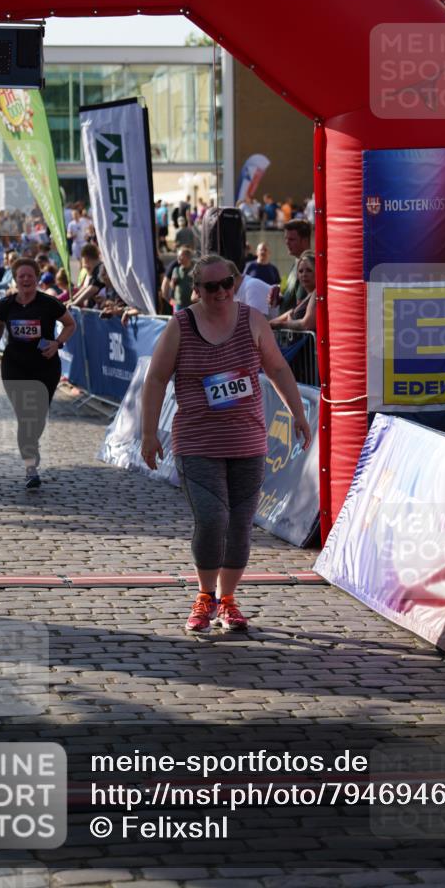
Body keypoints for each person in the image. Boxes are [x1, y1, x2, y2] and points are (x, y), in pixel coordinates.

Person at [141, 254, 311, 633]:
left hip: (247, 442)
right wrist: (149, 433)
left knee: (239, 525)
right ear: (196, 289)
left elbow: (278, 368)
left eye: (226, 284)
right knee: (213, 518)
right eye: (211, 286)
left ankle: (228, 601)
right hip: (197, 442)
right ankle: (205, 596)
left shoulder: (252, 320)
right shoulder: (182, 325)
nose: (220, 292)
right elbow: (155, 379)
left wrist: (298, 414)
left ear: (234, 284)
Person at [0, 258, 76, 488]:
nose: (25, 280)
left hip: (45, 367)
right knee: (25, 416)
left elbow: (70, 325)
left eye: (29, 276)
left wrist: (57, 343)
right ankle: (31, 467)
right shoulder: (5, 305)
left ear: (37, 278)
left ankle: (31, 447)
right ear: (15, 279)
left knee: (37, 417)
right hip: (14, 365)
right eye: (21, 276)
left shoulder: (50, 304)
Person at [268, 220, 312, 314]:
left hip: (293, 327)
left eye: (291, 239)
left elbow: (300, 309)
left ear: (304, 240)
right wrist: (279, 299)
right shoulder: (297, 262)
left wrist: (274, 323)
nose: (287, 243)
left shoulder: (307, 265)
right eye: (286, 239)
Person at [269, 251, 317, 331]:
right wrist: (266, 324)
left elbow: (306, 324)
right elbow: (291, 312)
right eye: (300, 271)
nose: (304, 274)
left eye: (309, 270)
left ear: (317, 272)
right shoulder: (307, 296)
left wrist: (282, 324)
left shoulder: (317, 293)